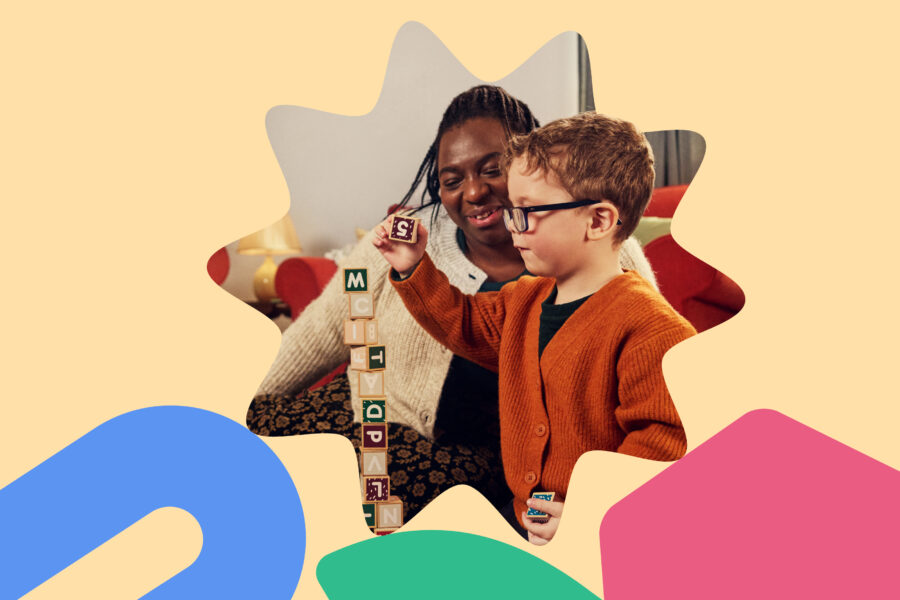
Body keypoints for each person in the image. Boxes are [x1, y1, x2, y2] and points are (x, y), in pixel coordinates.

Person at [248, 86, 659, 525]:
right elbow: (324, 330)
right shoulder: (406, 238)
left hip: (466, 461)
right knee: (246, 435)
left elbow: (653, 395)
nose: (474, 192)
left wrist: (600, 506)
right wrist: (246, 395)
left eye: (494, 169)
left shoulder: (603, 253)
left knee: (364, 505)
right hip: (367, 416)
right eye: (452, 180)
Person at [373, 111, 695, 543]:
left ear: (598, 221)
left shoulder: (653, 330)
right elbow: (463, 324)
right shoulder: (524, 297)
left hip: (594, 530)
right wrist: (414, 266)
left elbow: (664, 445)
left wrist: (592, 512)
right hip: (524, 514)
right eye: (511, 211)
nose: (512, 227)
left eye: (527, 212)